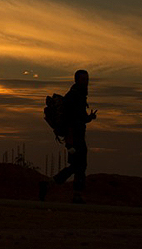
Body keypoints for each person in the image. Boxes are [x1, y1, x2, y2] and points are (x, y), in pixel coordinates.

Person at [39, 69, 97, 204]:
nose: (86, 82)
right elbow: (71, 120)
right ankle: (53, 186)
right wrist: (70, 142)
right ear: (77, 80)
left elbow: (80, 118)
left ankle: (66, 191)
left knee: (78, 166)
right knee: (79, 165)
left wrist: (89, 118)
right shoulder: (74, 96)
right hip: (74, 137)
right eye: (83, 79)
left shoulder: (80, 96)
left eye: (87, 79)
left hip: (78, 136)